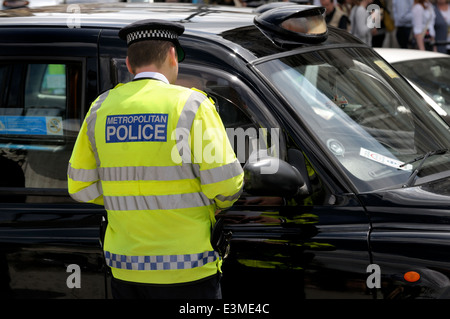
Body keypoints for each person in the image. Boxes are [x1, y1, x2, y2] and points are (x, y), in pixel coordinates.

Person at [67, 19, 244, 299]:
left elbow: (80, 188)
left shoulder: (100, 108)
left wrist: (122, 197)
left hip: (126, 269)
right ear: (173, 56)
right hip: (190, 268)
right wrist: (219, 205)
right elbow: (226, 185)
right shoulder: (192, 105)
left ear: (129, 63)